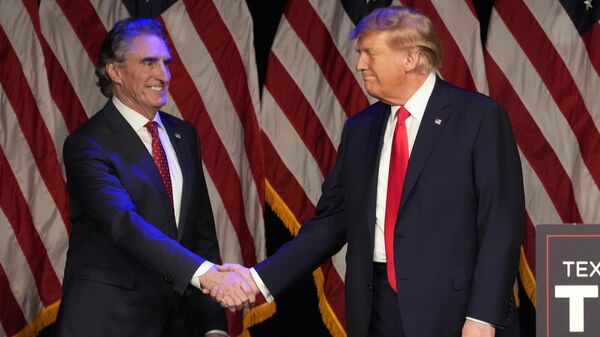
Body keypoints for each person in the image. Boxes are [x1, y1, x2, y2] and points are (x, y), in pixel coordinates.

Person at [216, 6, 524, 337]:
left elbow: (500, 223)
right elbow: (330, 223)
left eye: (370, 54)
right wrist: (257, 279)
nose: (360, 64)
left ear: (411, 58)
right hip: (376, 311)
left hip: (454, 312)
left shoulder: (477, 117)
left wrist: (483, 316)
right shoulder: (361, 128)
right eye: (360, 53)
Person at [53, 18, 253, 337]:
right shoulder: (87, 145)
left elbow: (200, 235)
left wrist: (213, 325)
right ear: (115, 72)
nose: (164, 74)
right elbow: (124, 224)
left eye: (165, 62)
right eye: (149, 62)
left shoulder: (183, 135)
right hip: (108, 322)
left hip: (176, 324)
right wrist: (206, 276)